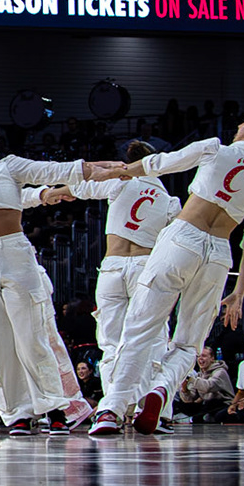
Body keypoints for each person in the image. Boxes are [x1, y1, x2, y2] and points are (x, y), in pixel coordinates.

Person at [91, 112, 244, 437]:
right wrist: (239, 293)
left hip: (182, 239)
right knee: (188, 343)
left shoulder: (217, 148)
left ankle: (111, 410)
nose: (240, 123)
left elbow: (162, 163)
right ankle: (161, 389)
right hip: (218, 256)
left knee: (140, 328)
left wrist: (123, 170)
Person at [0, 121, 117, 436]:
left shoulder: (9, 166)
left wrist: (95, 167)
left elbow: (50, 171)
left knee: (32, 334)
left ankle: (55, 407)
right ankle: (17, 413)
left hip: (14, 251)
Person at [65, 139, 180, 402]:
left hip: (112, 268)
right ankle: (151, 408)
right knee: (151, 339)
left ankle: (112, 407)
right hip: (144, 267)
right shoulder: (170, 201)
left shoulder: (120, 181)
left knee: (110, 344)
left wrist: (54, 191)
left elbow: (79, 188)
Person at [176, 346, 233, 422]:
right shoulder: (199, 375)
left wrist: (191, 379)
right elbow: (189, 399)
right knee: (184, 406)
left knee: (208, 409)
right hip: (208, 405)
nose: (200, 358)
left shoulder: (220, 371)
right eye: (198, 356)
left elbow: (208, 386)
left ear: (212, 358)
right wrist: (184, 389)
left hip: (224, 404)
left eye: (204, 356)